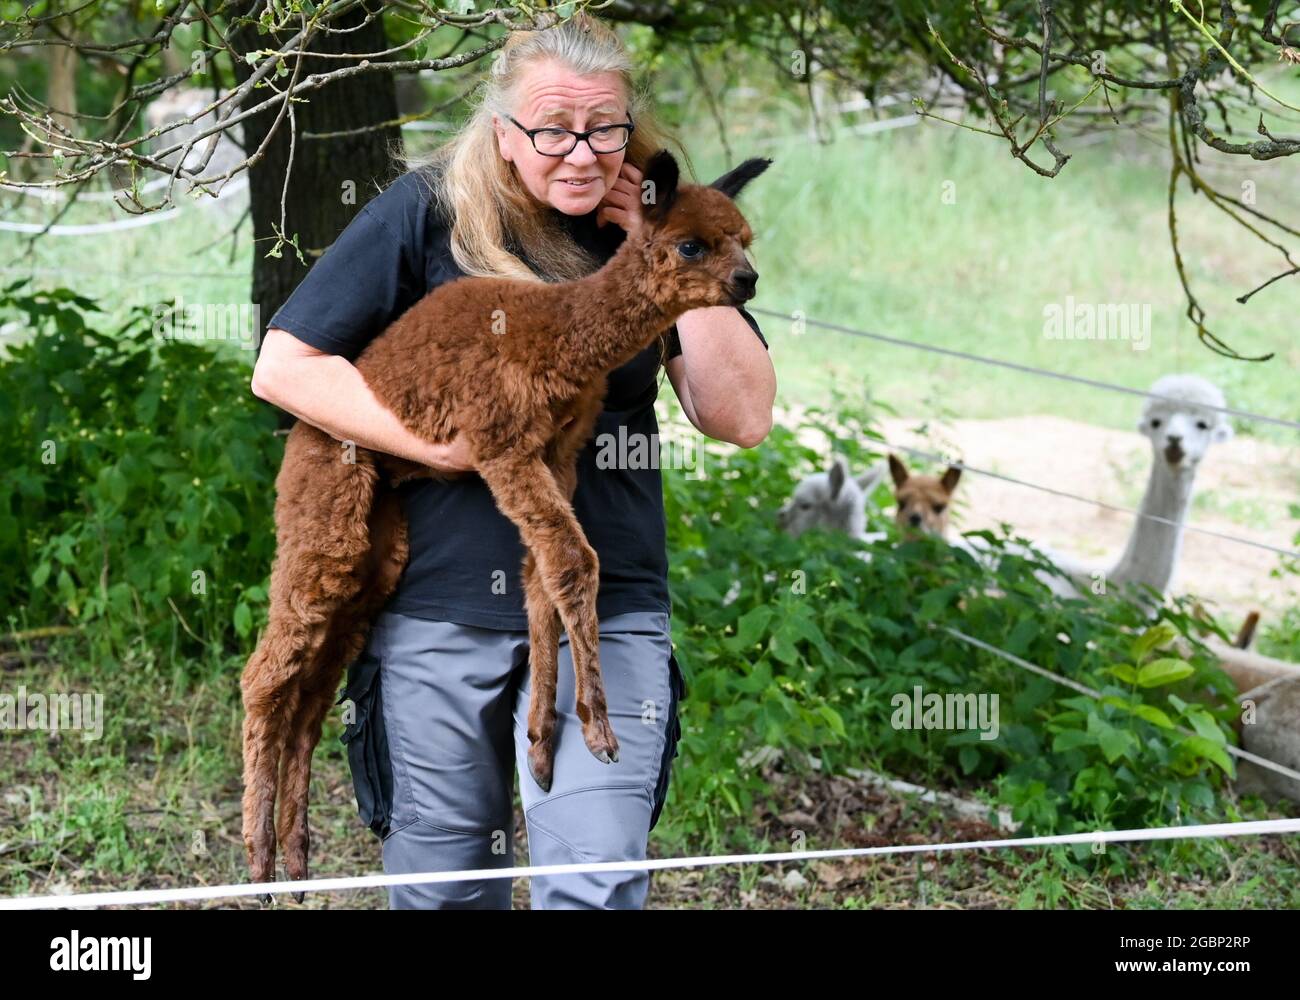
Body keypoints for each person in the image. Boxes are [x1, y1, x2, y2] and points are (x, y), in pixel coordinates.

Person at [249, 12, 776, 909]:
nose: (580, 153)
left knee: (597, 879)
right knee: (449, 886)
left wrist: (666, 241)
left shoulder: (656, 226)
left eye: (604, 128)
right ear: (504, 131)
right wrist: (447, 444)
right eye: (552, 130)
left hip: (603, 603)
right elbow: (285, 367)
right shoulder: (430, 215)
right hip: (438, 607)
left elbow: (740, 415)